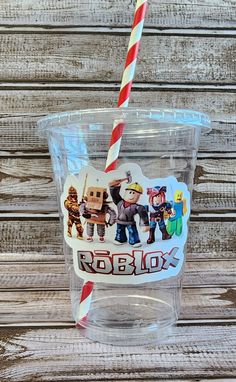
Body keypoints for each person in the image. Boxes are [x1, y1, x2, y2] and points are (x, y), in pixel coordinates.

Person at [109, 180, 149, 247]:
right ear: (126, 192)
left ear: (138, 196)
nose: (131, 195)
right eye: (130, 192)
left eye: (134, 193)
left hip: (130, 222)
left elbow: (143, 214)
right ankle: (120, 239)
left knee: (132, 232)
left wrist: (144, 224)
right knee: (119, 231)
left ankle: (134, 241)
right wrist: (114, 187)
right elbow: (114, 195)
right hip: (120, 221)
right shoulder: (119, 202)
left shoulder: (137, 207)